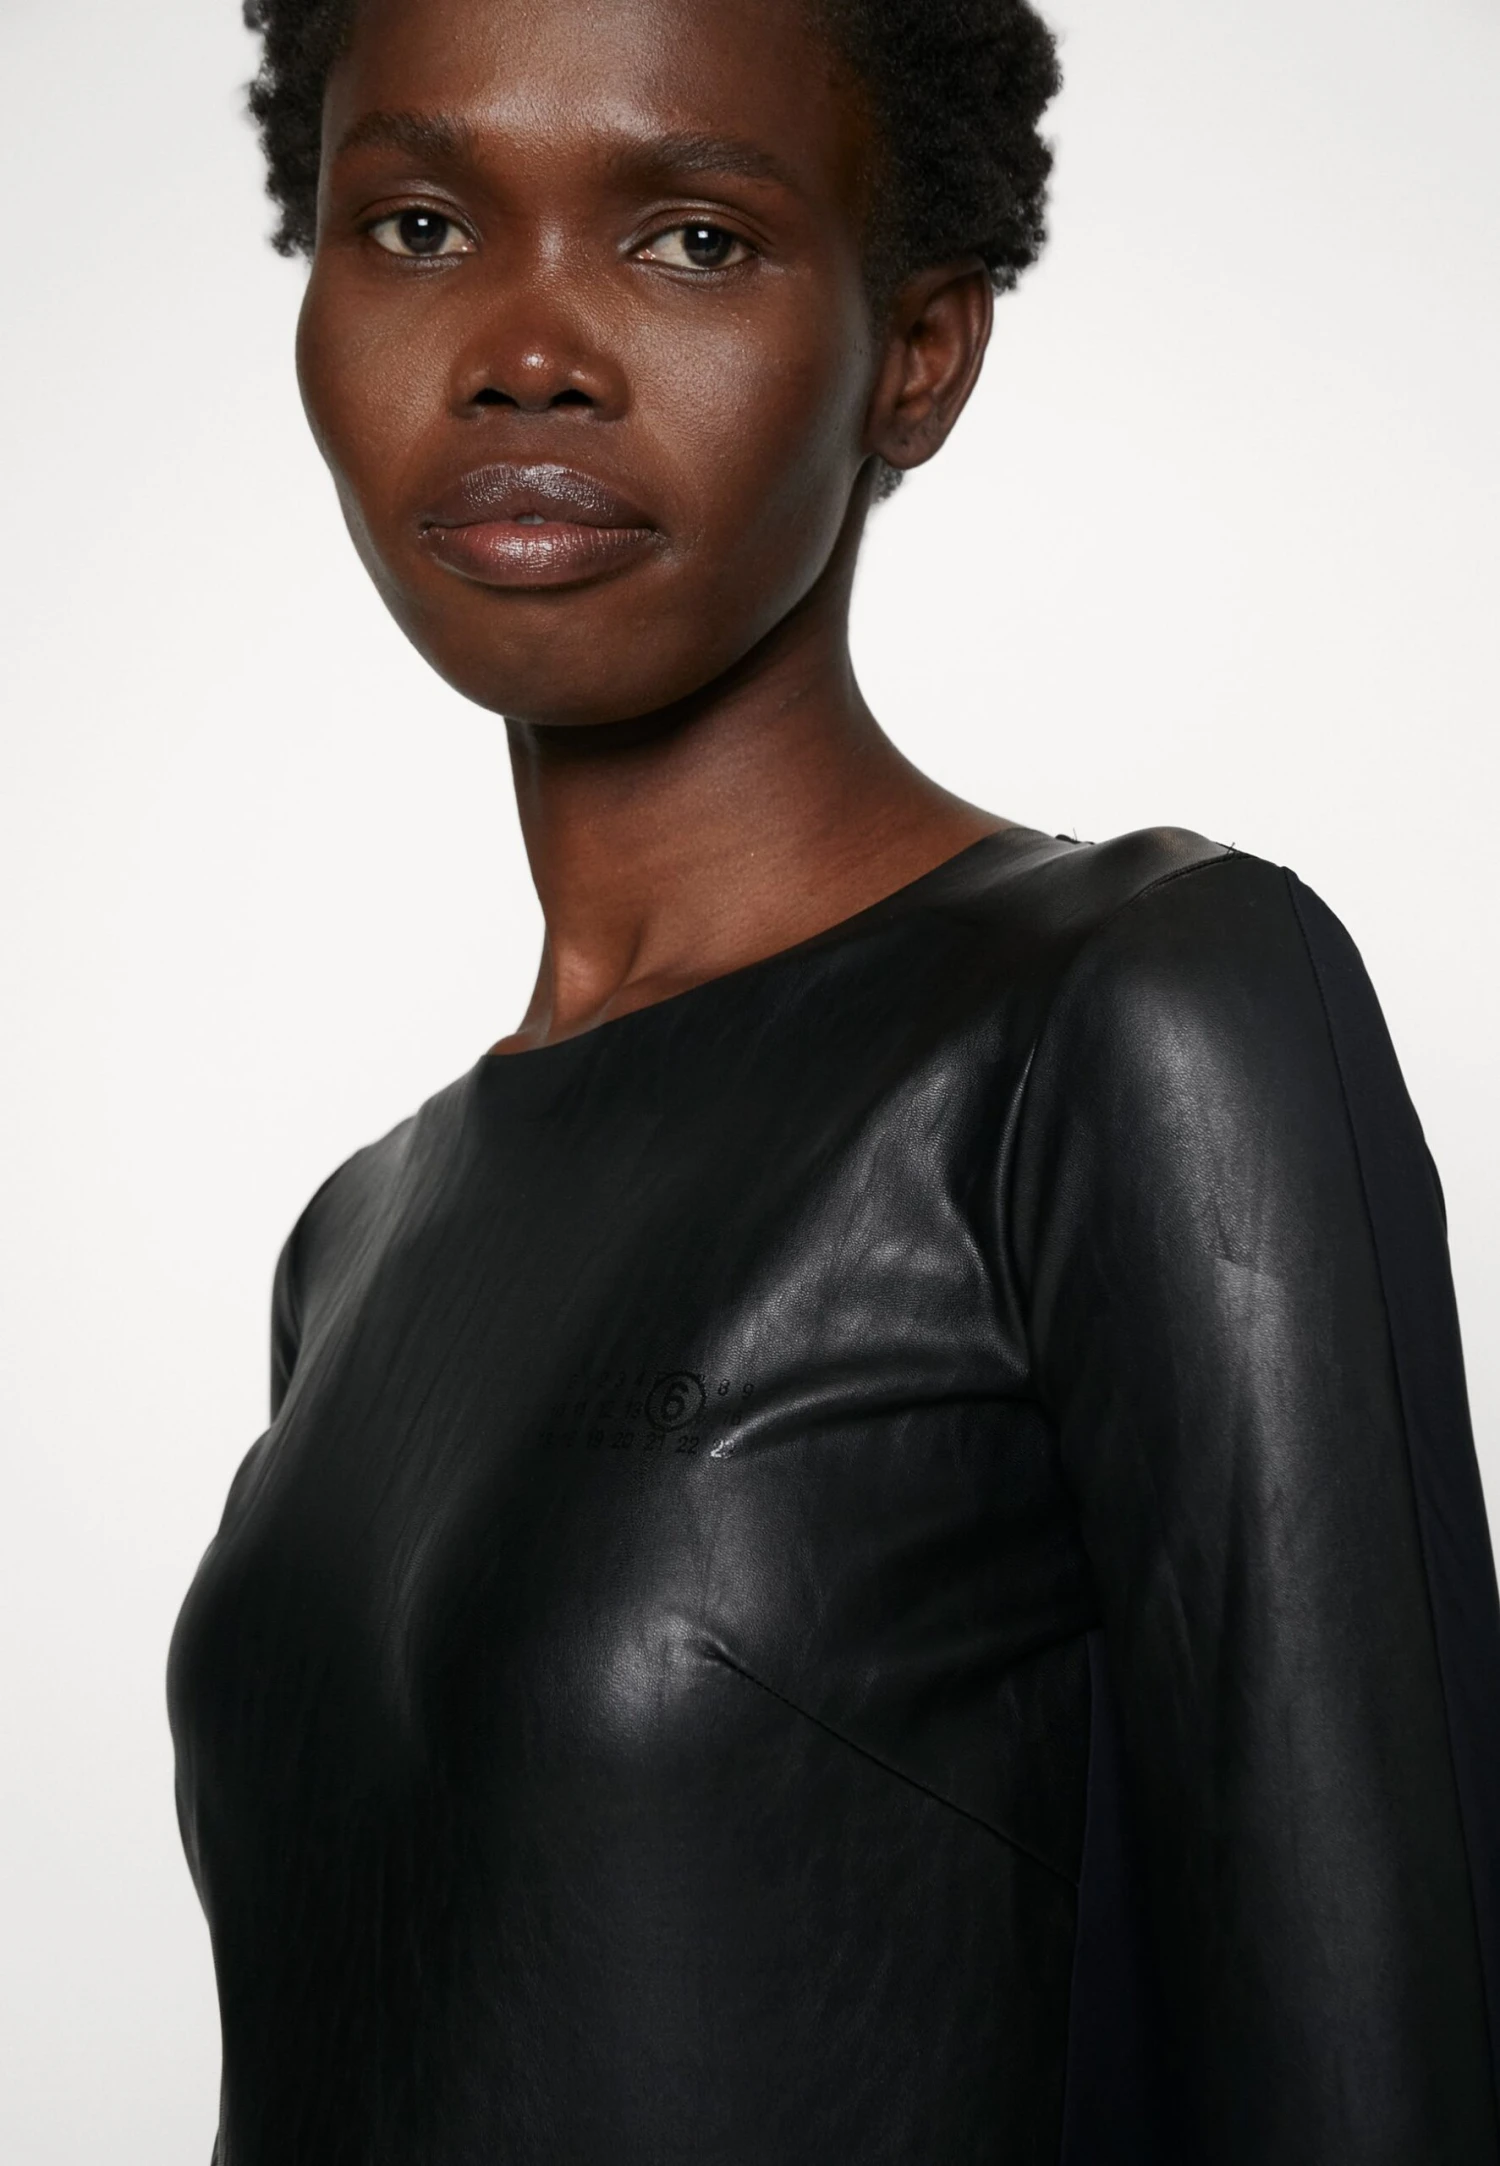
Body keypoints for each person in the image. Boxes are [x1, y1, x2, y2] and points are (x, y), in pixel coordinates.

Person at [166, 0, 1500, 2157]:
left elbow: (1381, 2076)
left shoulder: (1131, 1014)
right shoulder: (364, 1240)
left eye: (693, 239)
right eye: (415, 224)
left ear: (920, 354)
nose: (527, 352)